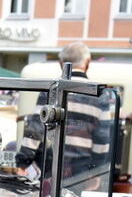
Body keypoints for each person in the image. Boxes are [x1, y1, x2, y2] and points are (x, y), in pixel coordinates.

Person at [16, 42, 111, 176]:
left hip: (49, 164)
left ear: (61, 63)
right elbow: (102, 139)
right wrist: (95, 171)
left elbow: (36, 129)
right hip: (81, 169)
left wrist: (23, 162)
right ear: (88, 62)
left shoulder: (51, 90)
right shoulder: (100, 95)